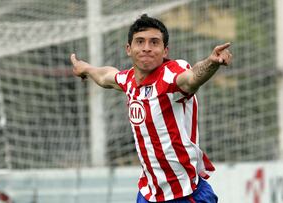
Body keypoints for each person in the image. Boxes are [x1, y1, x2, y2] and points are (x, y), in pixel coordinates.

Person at [70, 14, 232, 203]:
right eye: (140, 42)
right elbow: (106, 76)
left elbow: (192, 78)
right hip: (149, 193)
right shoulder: (129, 80)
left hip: (186, 194)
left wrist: (212, 63)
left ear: (165, 51)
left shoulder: (171, 75)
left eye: (154, 42)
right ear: (129, 49)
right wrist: (86, 68)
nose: (147, 48)